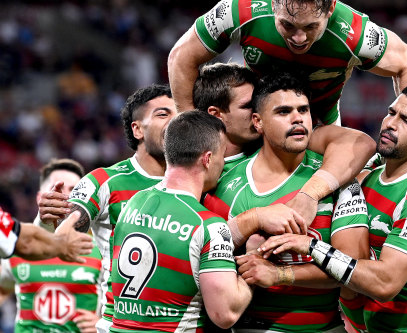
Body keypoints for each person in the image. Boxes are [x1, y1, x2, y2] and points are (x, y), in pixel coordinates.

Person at [259, 84, 407, 333]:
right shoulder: (369, 178)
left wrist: (311, 247)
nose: (390, 124)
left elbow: (385, 282)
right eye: (391, 112)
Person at [168, 0, 407, 125]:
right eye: (287, 25)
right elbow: (181, 56)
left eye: (311, 27)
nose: (299, 38)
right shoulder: (240, 9)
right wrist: (189, 122)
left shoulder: (355, 33)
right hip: (256, 120)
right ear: (272, 3)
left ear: (330, 10)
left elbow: (406, 62)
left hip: (320, 126)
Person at [206, 73, 369, 332]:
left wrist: (280, 275)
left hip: (323, 328)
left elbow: (355, 268)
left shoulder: (335, 180)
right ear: (257, 122)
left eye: (303, 110)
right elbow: (203, 259)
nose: (297, 118)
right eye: (283, 111)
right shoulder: (223, 180)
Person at [36, 84, 177, 333]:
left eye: (180, 115)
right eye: (163, 114)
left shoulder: (205, 181)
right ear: (137, 129)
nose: (175, 123)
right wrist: (50, 218)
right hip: (121, 325)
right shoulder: (105, 181)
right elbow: (66, 225)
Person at [109, 111, 253, 331]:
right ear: (207, 159)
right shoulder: (208, 225)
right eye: (222, 155)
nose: (223, 164)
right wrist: (254, 269)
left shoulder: (133, 202)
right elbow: (225, 314)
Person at [194, 62, 376, 224]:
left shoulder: (279, 139)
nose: (257, 109)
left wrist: (310, 194)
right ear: (216, 114)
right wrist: (253, 222)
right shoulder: (199, 169)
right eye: (249, 105)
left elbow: (360, 143)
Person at [0, 158, 102, 333]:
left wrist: (104, 324)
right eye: (58, 189)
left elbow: (130, 305)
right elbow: (3, 288)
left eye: (75, 191)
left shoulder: (103, 248)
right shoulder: (18, 243)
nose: (67, 196)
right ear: (40, 197)